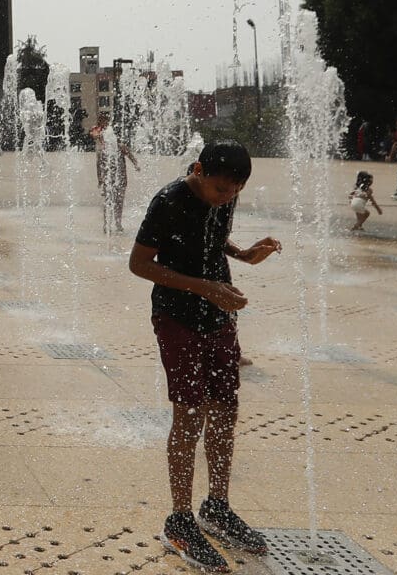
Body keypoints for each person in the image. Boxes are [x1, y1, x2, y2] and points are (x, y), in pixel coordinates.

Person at [129, 140, 280, 571]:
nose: (226, 197)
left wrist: (244, 255)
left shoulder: (223, 193)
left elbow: (213, 234)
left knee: (225, 411)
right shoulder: (168, 201)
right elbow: (139, 264)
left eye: (235, 191)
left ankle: (216, 505)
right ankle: (179, 518)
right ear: (197, 170)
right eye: (219, 189)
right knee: (190, 414)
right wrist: (204, 286)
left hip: (218, 314)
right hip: (178, 317)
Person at [92, 118, 141, 235]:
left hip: (121, 178)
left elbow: (130, 155)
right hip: (108, 180)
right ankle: (106, 223)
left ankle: (118, 223)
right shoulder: (102, 151)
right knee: (108, 201)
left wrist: (136, 165)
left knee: (119, 201)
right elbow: (98, 166)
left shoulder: (120, 146)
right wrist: (100, 179)